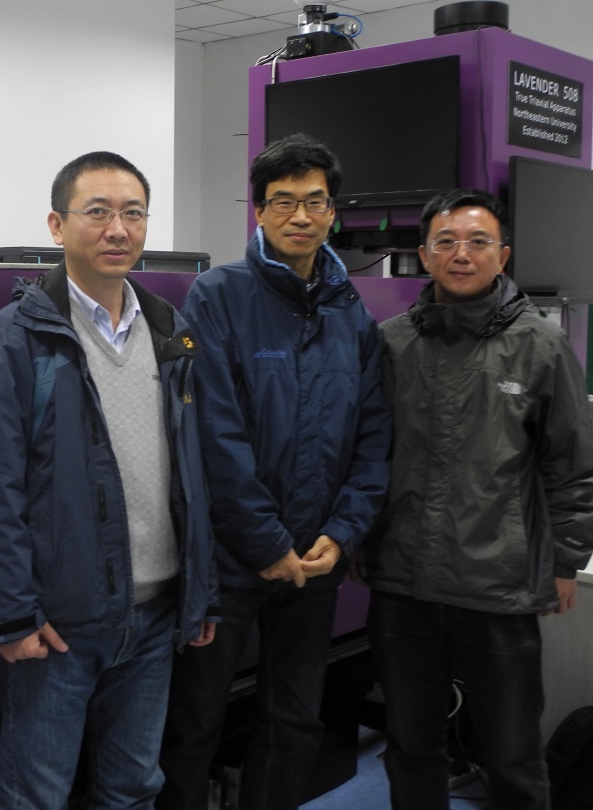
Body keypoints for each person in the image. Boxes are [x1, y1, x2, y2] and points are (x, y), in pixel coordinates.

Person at [0, 151, 219, 809]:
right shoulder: (17, 338)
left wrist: (201, 592)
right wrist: (12, 615)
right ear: (57, 225)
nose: (118, 230)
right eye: (97, 212)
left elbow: (192, 474)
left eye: (133, 214)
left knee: (133, 789)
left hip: (155, 616)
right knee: (37, 795)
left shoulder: (169, 329)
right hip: (58, 627)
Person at [158, 133, 391, 810]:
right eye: (283, 201)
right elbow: (213, 434)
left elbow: (373, 435)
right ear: (258, 211)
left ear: (333, 212)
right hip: (230, 561)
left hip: (315, 560)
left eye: (314, 201)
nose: (300, 215)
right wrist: (265, 543)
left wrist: (341, 533)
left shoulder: (351, 312)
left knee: (293, 722)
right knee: (194, 725)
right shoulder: (217, 296)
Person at [361, 188, 593, 809]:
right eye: (446, 241)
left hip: (499, 585)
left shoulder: (541, 345)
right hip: (403, 582)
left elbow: (572, 465)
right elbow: (365, 455)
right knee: (411, 745)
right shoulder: (390, 343)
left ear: (503, 255)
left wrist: (565, 560)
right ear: (424, 254)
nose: (461, 254)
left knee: (512, 753)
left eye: (478, 241)